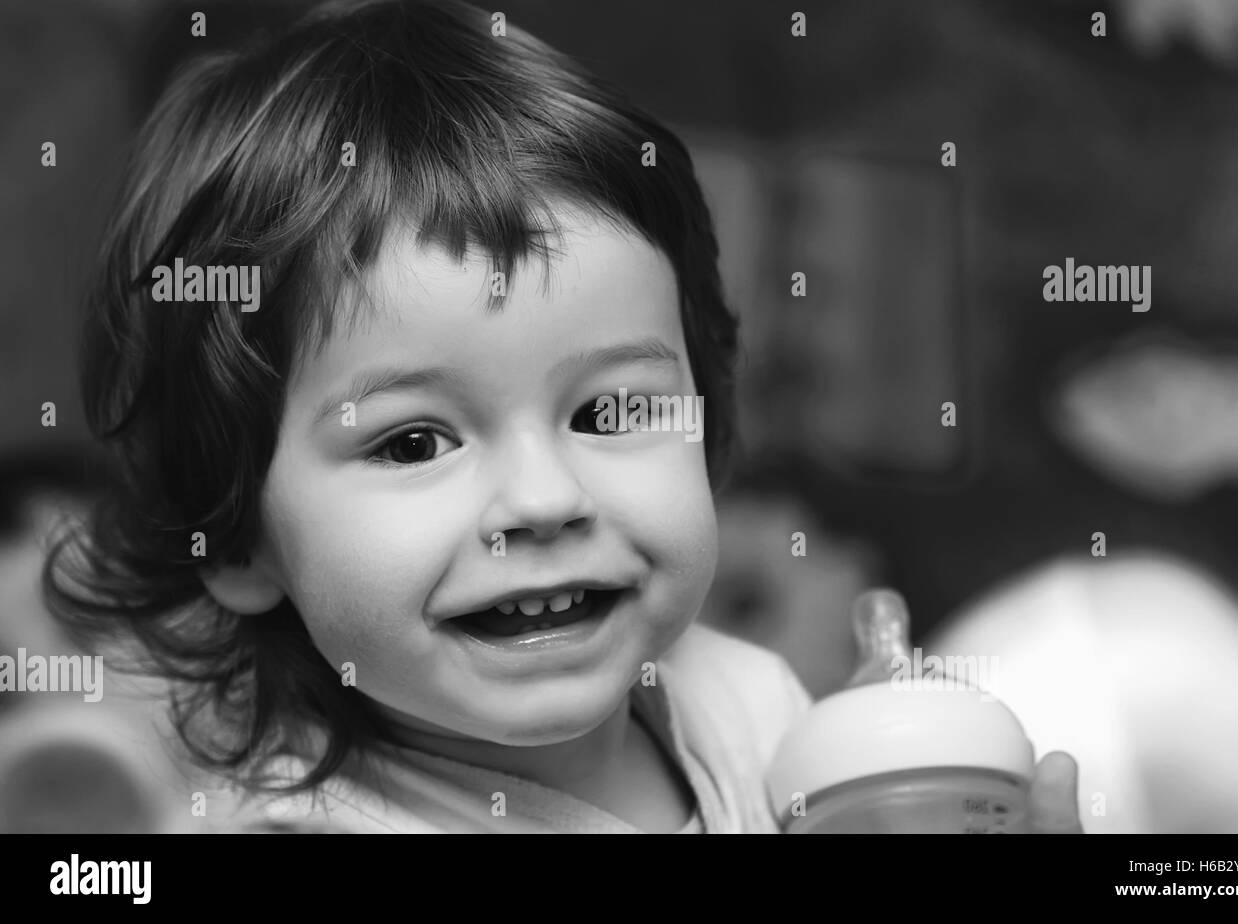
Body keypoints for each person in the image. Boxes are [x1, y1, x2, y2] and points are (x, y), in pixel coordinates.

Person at [44, 0, 1081, 833]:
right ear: (235, 535)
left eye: (611, 409)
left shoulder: (752, 709)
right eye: (414, 441)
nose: (544, 500)